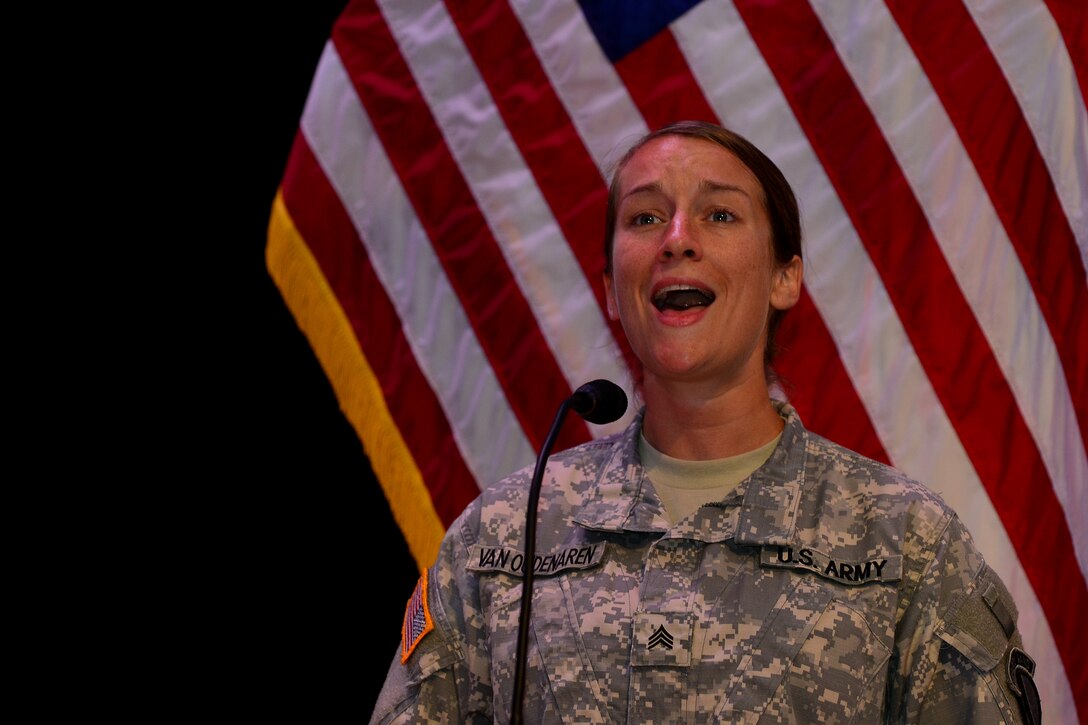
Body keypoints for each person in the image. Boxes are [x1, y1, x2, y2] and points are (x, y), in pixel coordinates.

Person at [368, 120, 1041, 723]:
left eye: (719, 214)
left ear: (786, 277)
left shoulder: (907, 544)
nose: (678, 240)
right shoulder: (501, 540)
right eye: (644, 219)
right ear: (609, 287)